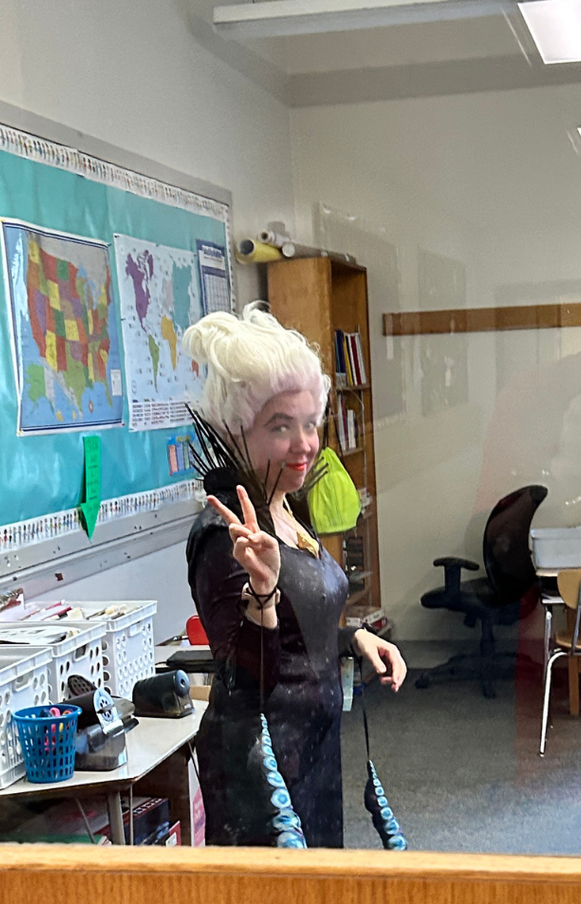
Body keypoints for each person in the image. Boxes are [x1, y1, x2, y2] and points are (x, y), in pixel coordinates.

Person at [182, 304, 406, 848]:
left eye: (310, 423)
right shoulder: (226, 532)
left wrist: (354, 637)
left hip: (312, 752)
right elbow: (247, 673)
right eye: (281, 426)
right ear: (239, 428)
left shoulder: (284, 506)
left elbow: (298, 626)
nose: (305, 443)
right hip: (262, 772)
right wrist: (261, 591)